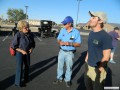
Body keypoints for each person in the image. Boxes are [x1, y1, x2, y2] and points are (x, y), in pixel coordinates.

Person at [84, 11, 112, 90]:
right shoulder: (91, 33)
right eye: (90, 17)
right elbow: (90, 48)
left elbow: (106, 57)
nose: (90, 19)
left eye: (93, 17)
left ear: (100, 21)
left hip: (98, 68)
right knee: (88, 86)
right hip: (88, 66)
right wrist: (86, 59)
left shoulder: (105, 37)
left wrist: (100, 69)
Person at [53, 16, 81, 87]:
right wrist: (60, 42)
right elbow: (58, 39)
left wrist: (70, 43)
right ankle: (59, 78)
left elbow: (78, 44)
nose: (63, 25)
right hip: (61, 52)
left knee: (69, 67)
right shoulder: (62, 30)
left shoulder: (76, 32)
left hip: (70, 53)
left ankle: (67, 80)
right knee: (60, 66)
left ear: (69, 24)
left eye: (65, 24)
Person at [11, 20, 35, 87]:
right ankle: (18, 83)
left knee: (27, 66)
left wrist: (31, 49)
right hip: (20, 53)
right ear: (21, 28)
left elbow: (33, 44)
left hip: (27, 52)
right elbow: (13, 46)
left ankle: (26, 79)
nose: (27, 28)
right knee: (19, 67)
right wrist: (21, 51)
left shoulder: (30, 34)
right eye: (25, 27)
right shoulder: (18, 35)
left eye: (27, 27)